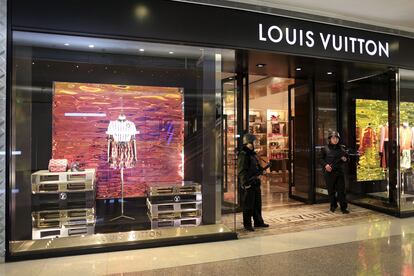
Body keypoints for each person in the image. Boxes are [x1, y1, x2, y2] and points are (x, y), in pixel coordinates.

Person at [237, 133, 270, 231]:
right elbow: (242, 170)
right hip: (249, 183)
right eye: (253, 141)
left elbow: (257, 166)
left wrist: (262, 170)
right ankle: (247, 225)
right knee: (248, 205)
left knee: (257, 204)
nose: (255, 143)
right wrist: (244, 183)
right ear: (248, 142)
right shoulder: (244, 154)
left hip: (255, 182)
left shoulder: (253, 154)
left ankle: (258, 222)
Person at [320, 131, 350, 214]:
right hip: (329, 173)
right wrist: (326, 165)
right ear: (330, 139)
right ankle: (333, 205)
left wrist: (346, 159)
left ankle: (343, 207)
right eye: (333, 138)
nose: (335, 140)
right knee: (331, 191)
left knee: (341, 191)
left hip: (340, 172)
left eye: (336, 138)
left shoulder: (342, 148)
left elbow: (347, 160)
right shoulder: (325, 148)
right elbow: (320, 159)